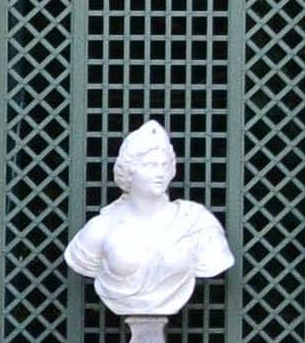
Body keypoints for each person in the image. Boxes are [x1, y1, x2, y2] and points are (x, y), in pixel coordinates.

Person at [64, 121, 233, 321]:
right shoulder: (101, 228)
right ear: (129, 171)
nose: (160, 173)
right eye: (150, 166)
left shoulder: (196, 223)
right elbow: (82, 262)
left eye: (164, 165)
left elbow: (215, 261)